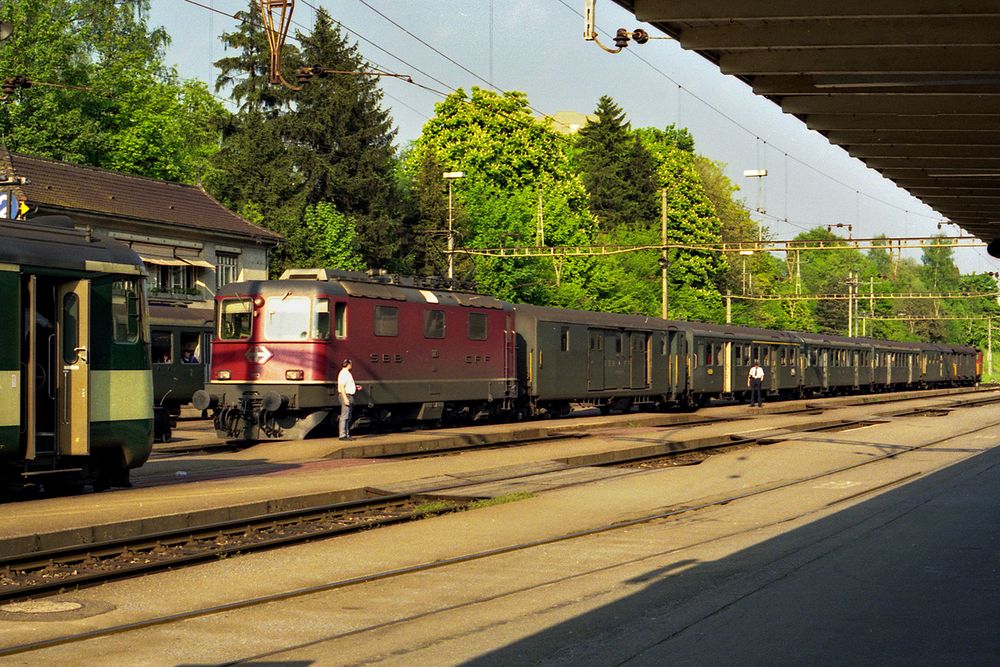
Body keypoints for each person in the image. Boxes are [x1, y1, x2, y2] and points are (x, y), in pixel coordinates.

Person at [337, 359, 362, 440]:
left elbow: (347, 385)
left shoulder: (347, 373)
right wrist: (345, 399)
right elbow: (341, 387)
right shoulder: (344, 374)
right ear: (348, 364)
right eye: (351, 364)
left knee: (348, 416)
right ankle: (342, 435)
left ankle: (346, 434)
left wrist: (355, 387)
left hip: (349, 396)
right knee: (344, 416)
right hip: (346, 396)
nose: (351, 366)